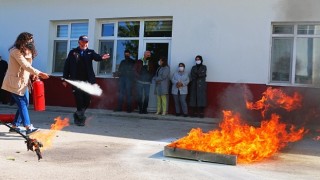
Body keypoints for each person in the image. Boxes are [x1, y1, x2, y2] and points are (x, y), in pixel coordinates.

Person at [1, 32, 49, 134]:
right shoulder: (15, 51)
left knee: (25, 103)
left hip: (24, 82)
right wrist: (39, 73)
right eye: (28, 40)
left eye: (31, 40)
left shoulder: (28, 51)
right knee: (22, 103)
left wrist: (33, 74)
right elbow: (25, 65)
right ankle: (28, 127)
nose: (30, 42)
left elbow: (27, 68)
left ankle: (15, 125)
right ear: (22, 40)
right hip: (15, 82)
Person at [63, 35, 110, 126]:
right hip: (76, 81)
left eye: (86, 42)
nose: (85, 43)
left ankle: (78, 114)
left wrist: (101, 57)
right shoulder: (73, 52)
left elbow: (97, 57)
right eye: (83, 41)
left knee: (87, 100)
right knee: (79, 99)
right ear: (79, 42)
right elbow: (67, 66)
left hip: (88, 81)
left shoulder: (90, 52)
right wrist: (65, 78)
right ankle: (80, 119)